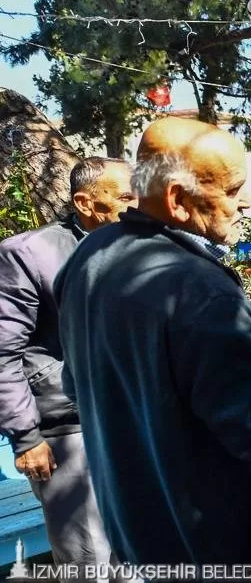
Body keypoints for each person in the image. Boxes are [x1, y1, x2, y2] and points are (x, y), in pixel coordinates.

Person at [55, 118, 251, 568]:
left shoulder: (88, 258)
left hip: (141, 534)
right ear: (177, 200)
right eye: (231, 189)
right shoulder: (200, 290)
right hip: (221, 549)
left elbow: (77, 387)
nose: (243, 204)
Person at [0, 157, 134, 580]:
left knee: (136, 553)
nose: (137, 208)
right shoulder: (27, 253)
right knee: (88, 560)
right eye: (126, 197)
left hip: (129, 423)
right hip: (66, 430)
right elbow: (3, 351)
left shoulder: (132, 248)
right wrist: (26, 437)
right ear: (86, 202)